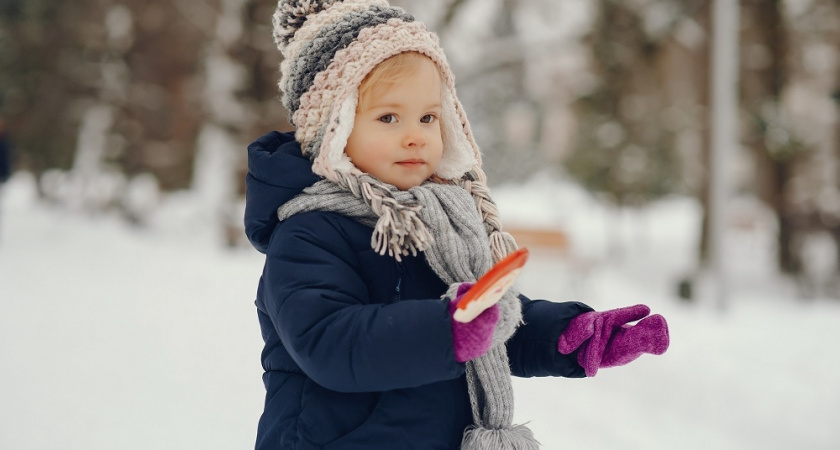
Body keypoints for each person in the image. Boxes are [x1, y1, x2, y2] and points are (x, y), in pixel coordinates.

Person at [244, 1, 670, 449]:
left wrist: (568, 336)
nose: (415, 135)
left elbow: (488, 326)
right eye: (389, 117)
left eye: (427, 117)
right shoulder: (309, 233)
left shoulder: (441, 221)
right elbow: (329, 343)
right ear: (333, 128)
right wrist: (446, 329)